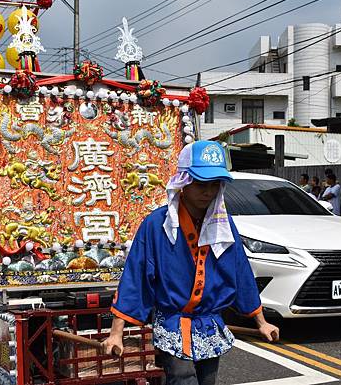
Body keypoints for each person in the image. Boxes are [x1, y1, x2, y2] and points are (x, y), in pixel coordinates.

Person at [102, 141, 279, 385]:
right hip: (173, 323)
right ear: (183, 182)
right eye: (201, 183)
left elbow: (241, 273)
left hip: (209, 322)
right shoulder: (156, 225)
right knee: (183, 379)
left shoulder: (223, 225)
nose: (209, 191)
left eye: (215, 184)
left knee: (207, 382)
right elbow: (136, 278)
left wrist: (262, 322)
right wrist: (116, 334)